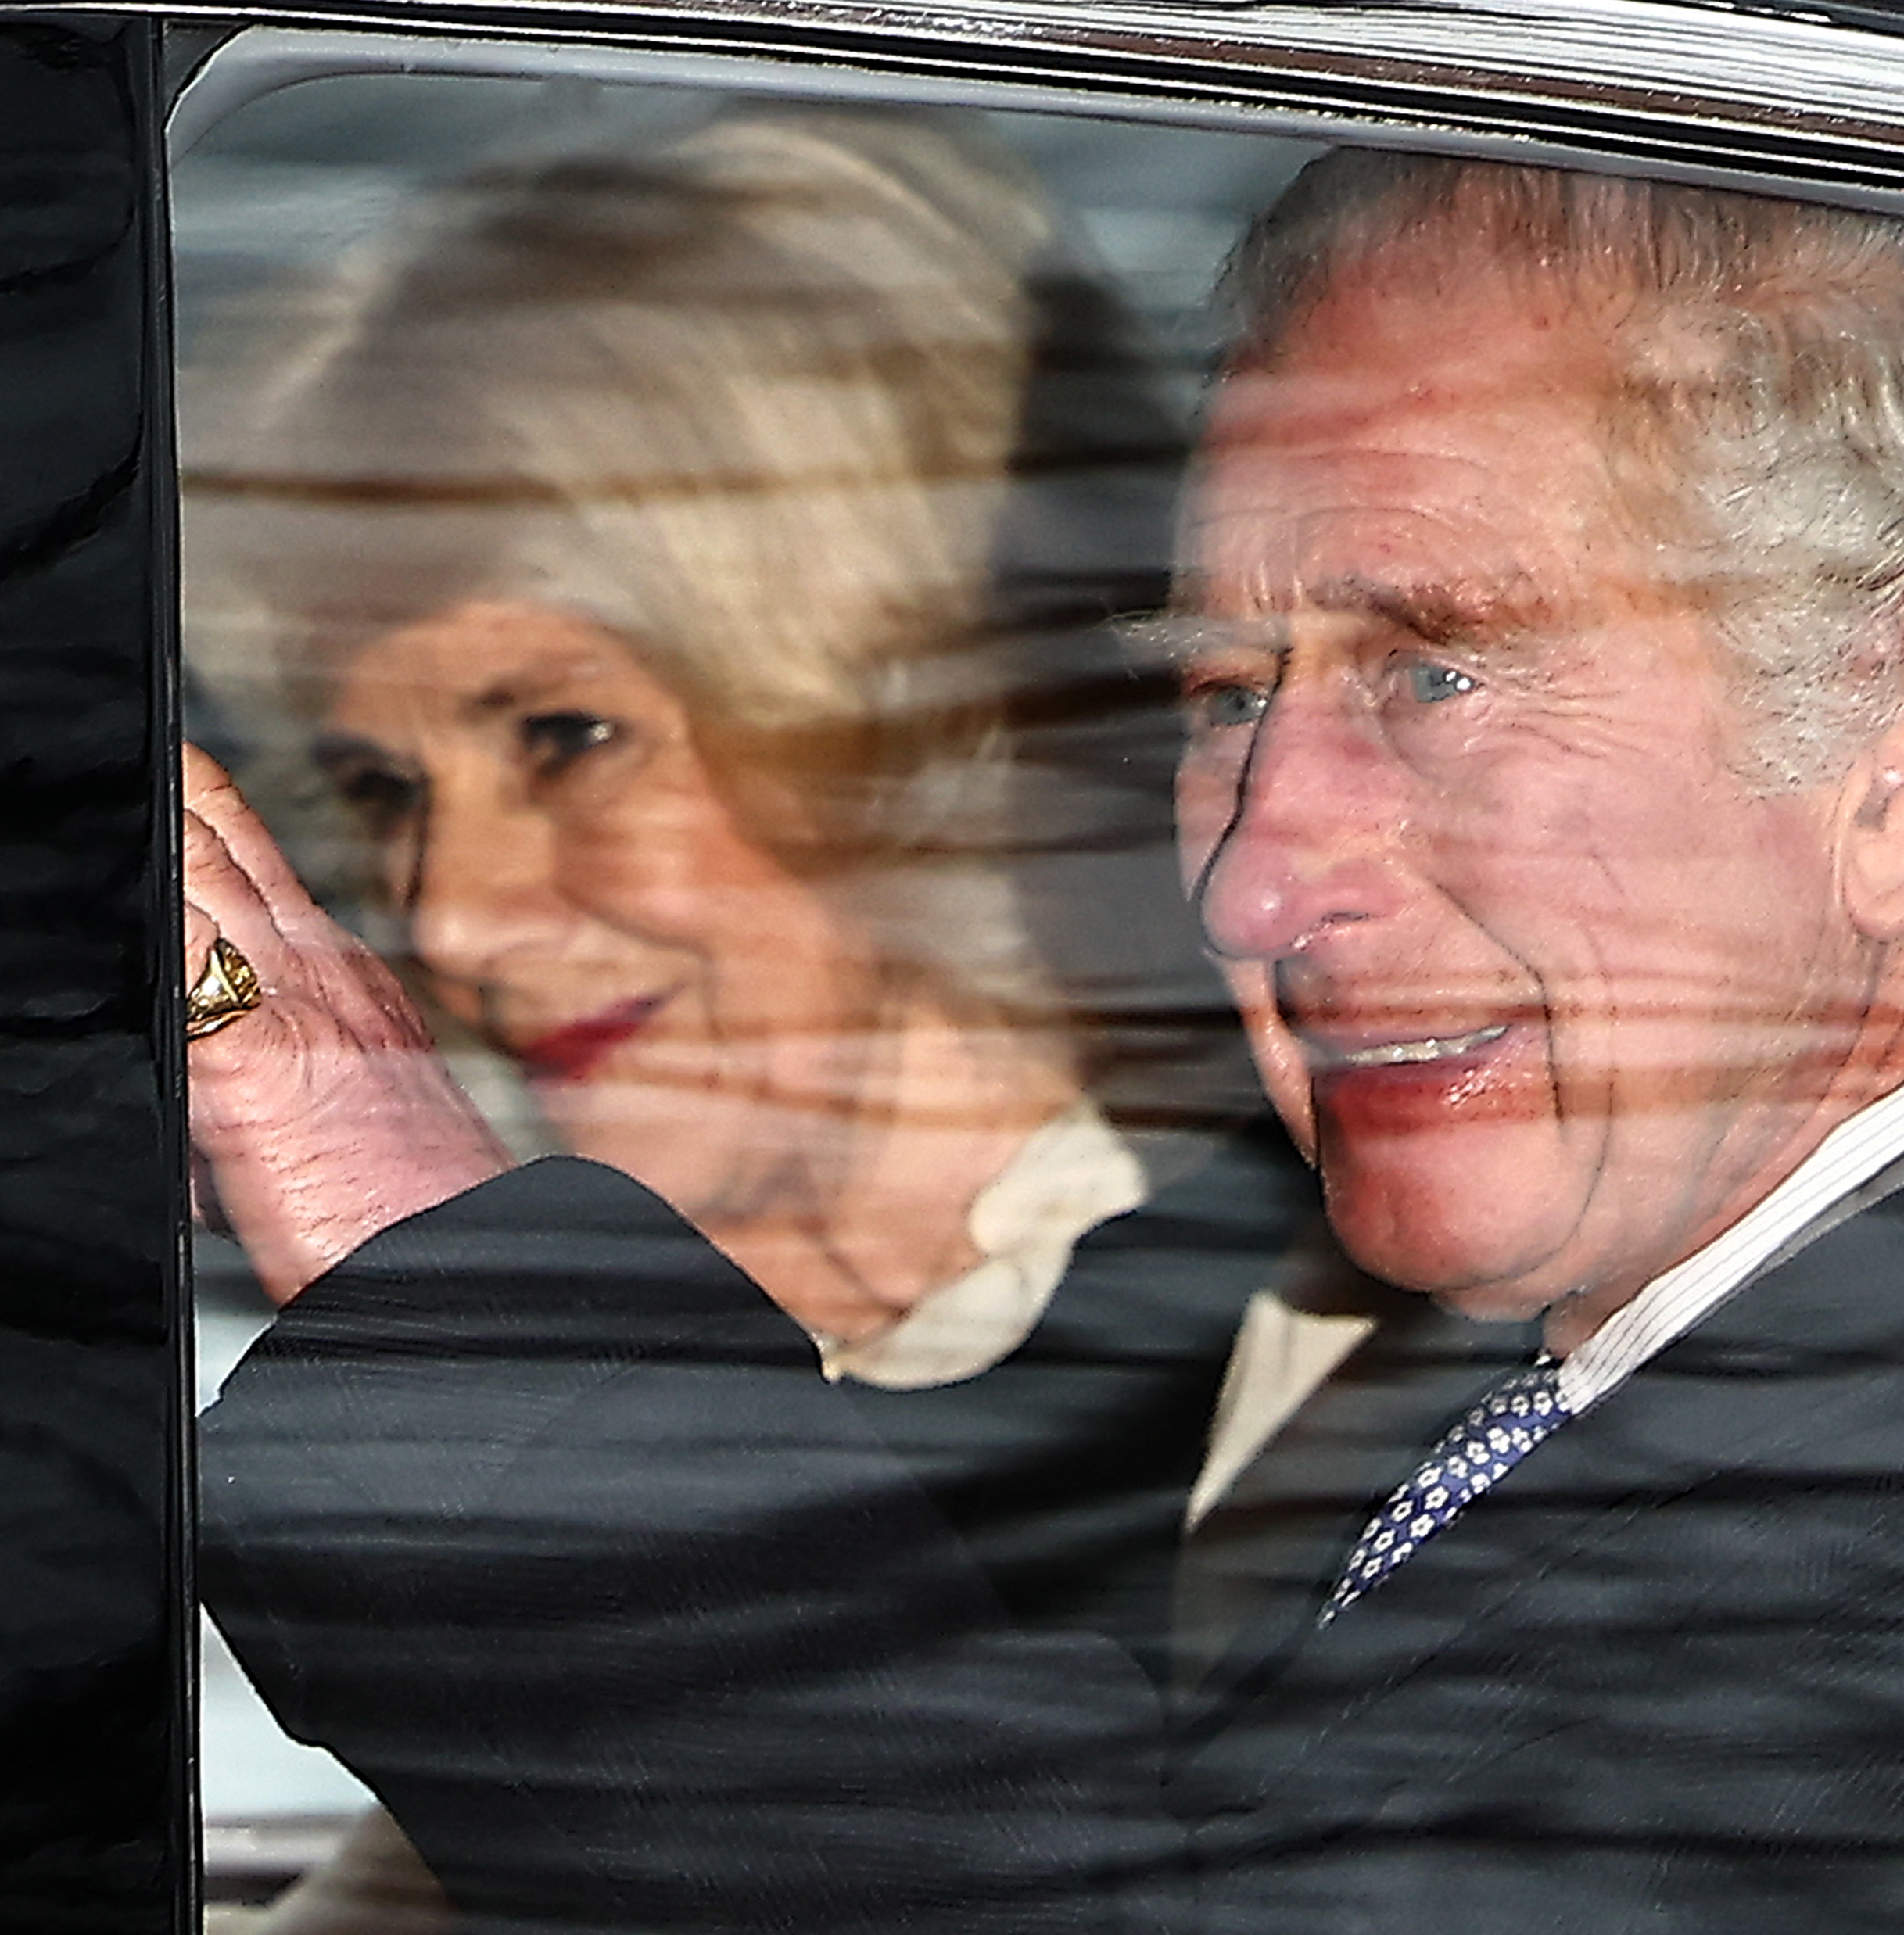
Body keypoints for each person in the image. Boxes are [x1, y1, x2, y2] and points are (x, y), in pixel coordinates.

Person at [199, 147, 1904, 1932]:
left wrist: (442, 1278)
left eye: (1437, 666)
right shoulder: (1731, 1396)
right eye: (1227, 700)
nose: (1248, 872)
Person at [182, 108, 1302, 1930]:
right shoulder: (745, 1371)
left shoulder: (1304, 1400)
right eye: (385, 788)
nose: (451, 913)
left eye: (566, 738)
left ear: (889, 707)